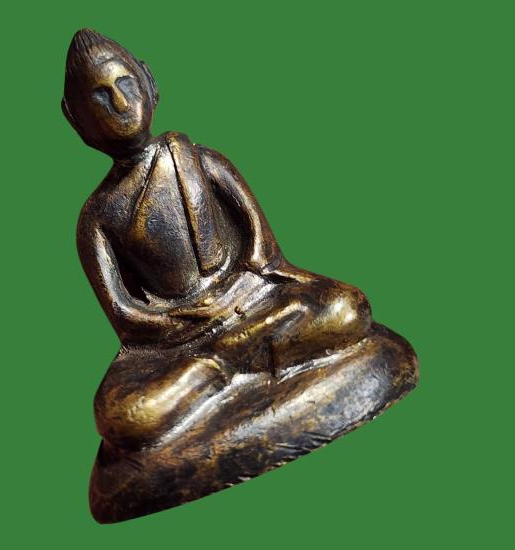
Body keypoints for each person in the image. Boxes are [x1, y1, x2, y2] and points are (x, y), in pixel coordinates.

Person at [63, 29, 371, 447]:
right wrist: (182, 318)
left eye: (126, 85)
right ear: (76, 119)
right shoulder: (98, 216)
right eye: (101, 97)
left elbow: (260, 245)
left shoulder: (199, 159)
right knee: (123, 415)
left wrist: (244, 287)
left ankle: (221, 367)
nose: (120, 103)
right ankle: (230, 360)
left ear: (150, 84)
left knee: (347, 308)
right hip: (179, 339)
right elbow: (123, 311)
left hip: (251, 299)